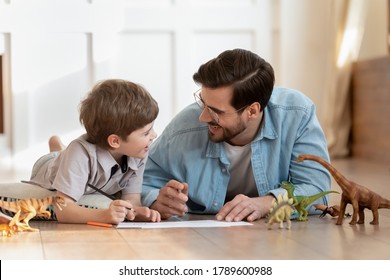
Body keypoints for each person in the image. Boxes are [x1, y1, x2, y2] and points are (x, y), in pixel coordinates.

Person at [142, 48, 331, 222]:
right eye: (202, 102)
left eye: (216, 111)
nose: (203, 117)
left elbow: (318, 191)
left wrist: (267, 203)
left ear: (252, 111)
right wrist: (154, 200)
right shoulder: (184, 128)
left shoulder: (297, 114)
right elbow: (138, 180)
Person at [28, 79, 161, 224]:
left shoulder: (138, 152)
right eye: (146, 133)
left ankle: (60, 149)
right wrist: (104, 216)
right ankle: (57, 148)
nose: (154, 135)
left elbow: (132, 199)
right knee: (61, 156)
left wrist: (137, 212)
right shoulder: (79, 155)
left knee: (65, 154)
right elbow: (62, 209)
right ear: (115, 141)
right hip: (47, 166)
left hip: (72, 160)